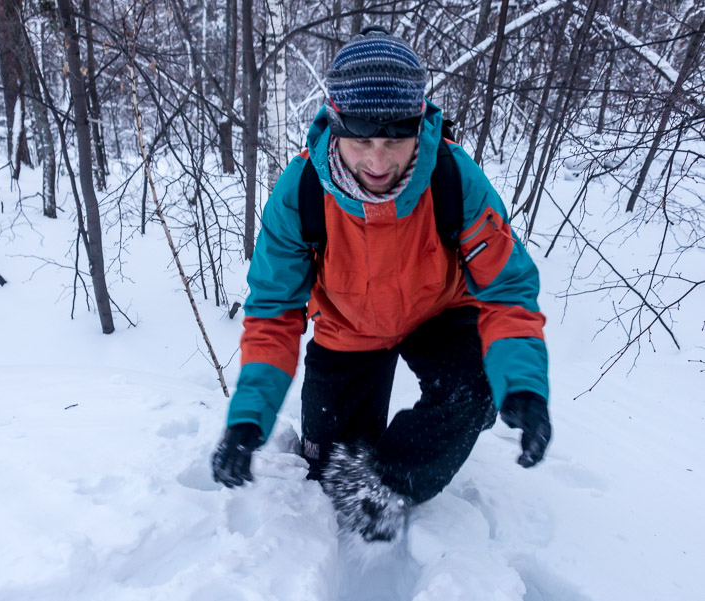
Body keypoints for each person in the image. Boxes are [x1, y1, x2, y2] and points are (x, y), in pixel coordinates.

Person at [211, 27, 552, 541]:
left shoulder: (454, 179)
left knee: (476, 385)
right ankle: (353, 465)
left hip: (436, 312)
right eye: (362, 140)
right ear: (335, 124)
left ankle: (392, 483)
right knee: (331, 472)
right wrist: (248, 418)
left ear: (418, 127)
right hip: (348, 327)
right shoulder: (301, 191)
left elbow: (505, 290)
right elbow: (275, 311)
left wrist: (522, 384)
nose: (377, 161)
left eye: (395, 140)